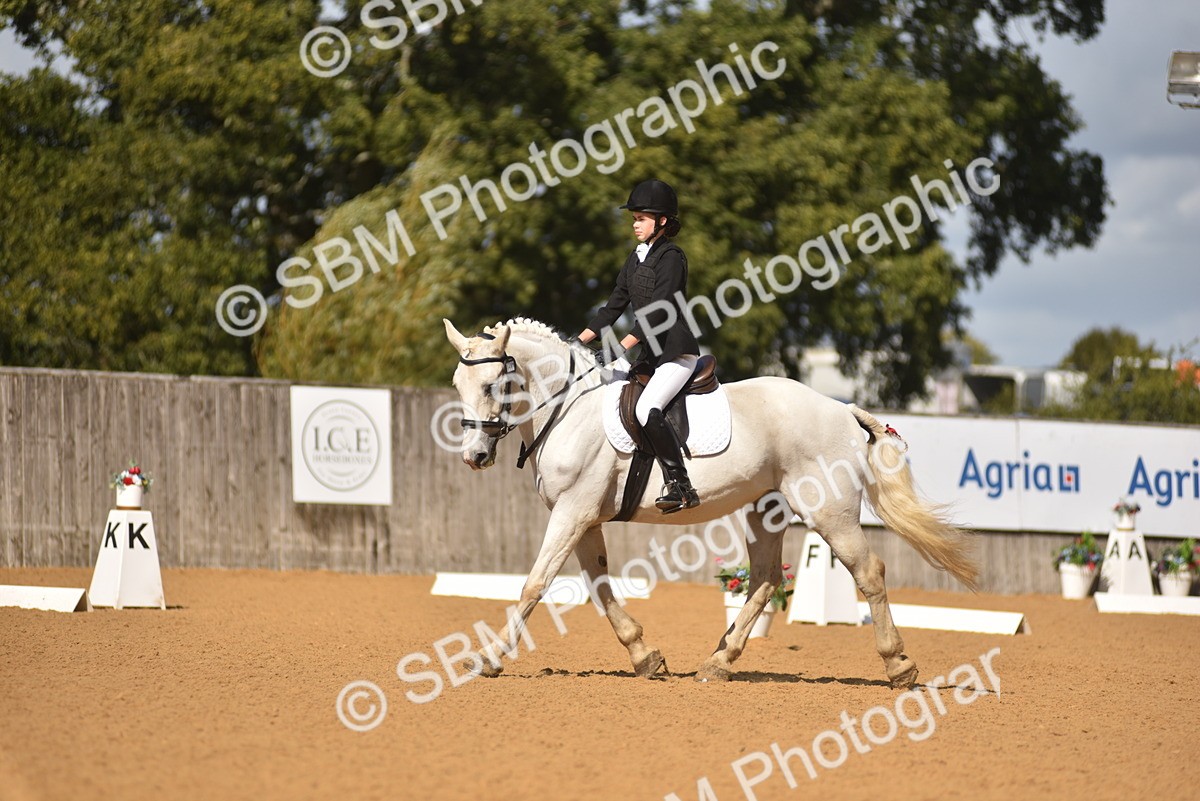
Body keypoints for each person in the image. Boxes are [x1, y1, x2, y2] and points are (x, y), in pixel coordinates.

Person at [577, 179, 701, 513]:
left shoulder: (672, 258)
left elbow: (658, 313)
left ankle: (681, 484)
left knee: (647, 409)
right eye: (633, 218)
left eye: (641, 219)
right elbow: (612, 308)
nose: (634, 224)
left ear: (661, 221)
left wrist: (619, 347)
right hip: (650, 356)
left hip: (676, 351)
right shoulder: (635, 258)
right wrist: (577, 343)